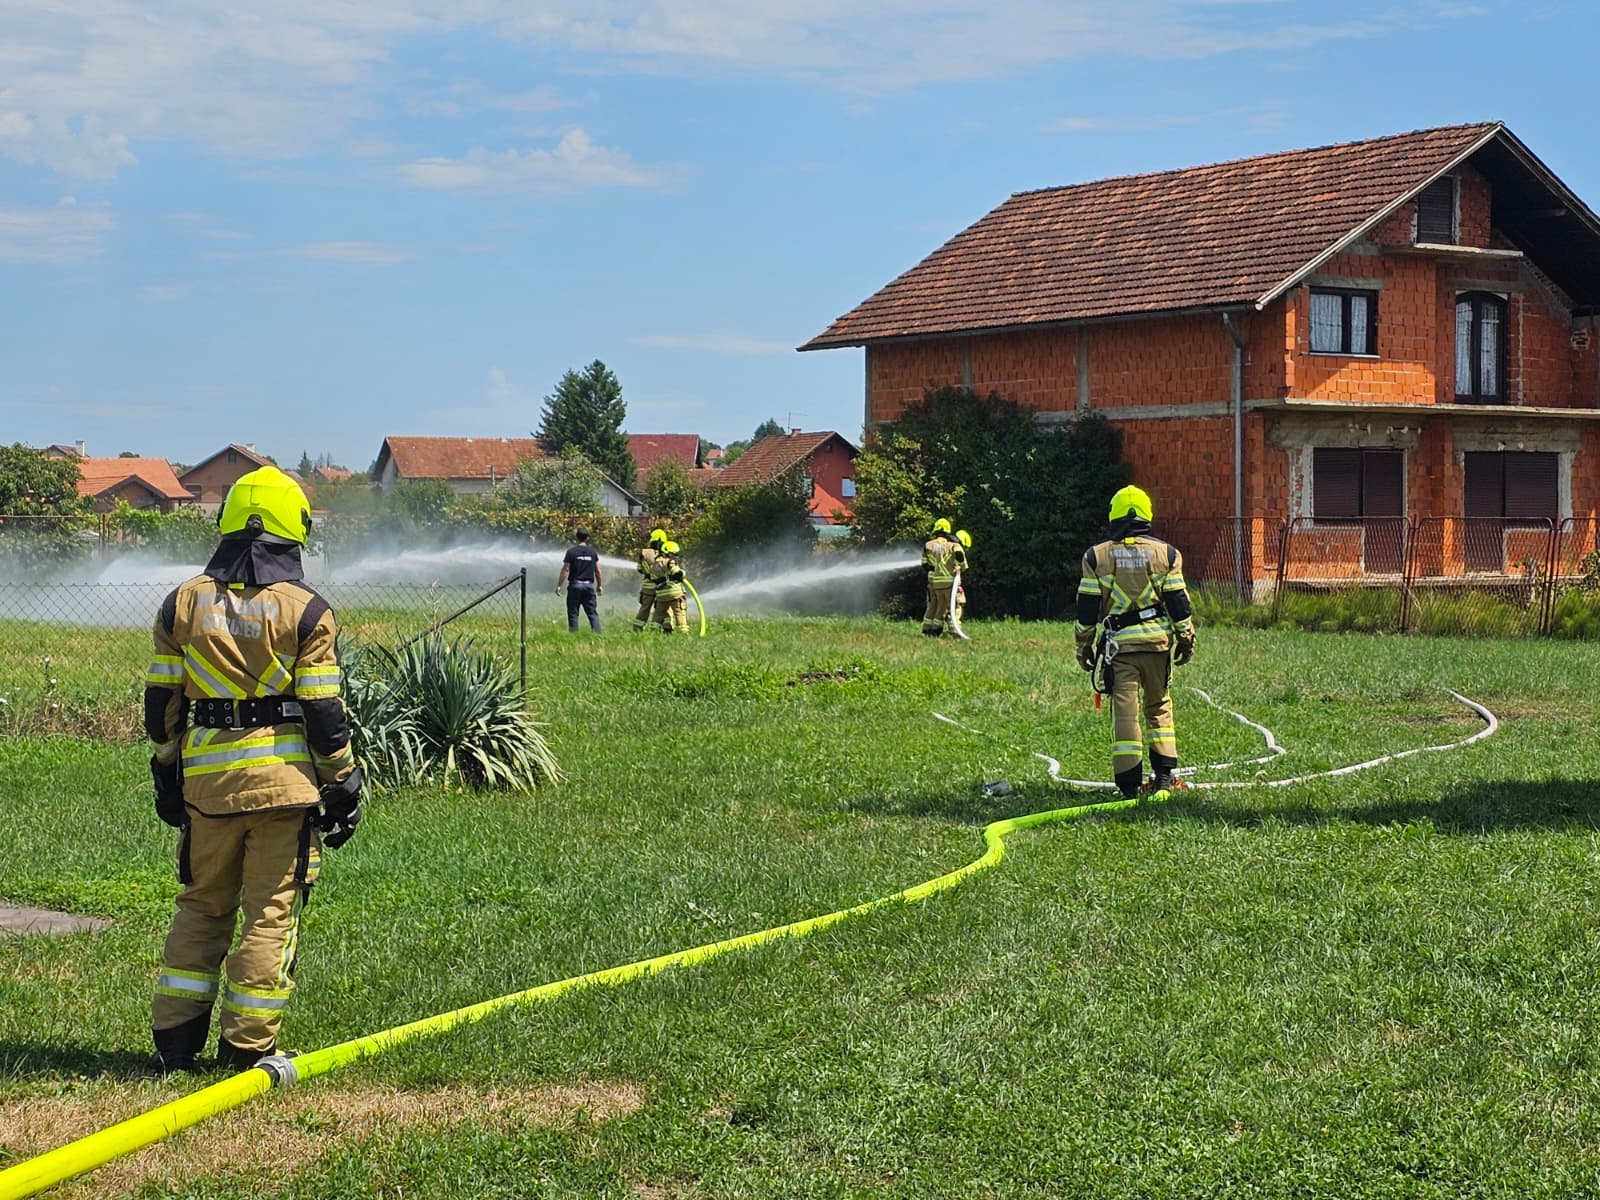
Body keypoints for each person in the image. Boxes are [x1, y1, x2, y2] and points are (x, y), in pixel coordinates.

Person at [143, 465, 362, 1074]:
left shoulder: (181, 603)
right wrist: (343, 782)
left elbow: (162, 706)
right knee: (269, 913)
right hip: (282, 792)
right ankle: (247, 1049)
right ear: (296, 530)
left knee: (201, 906)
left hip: (207, 791)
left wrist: (168, 774)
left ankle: (174, 1046)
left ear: (227, 523)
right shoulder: (307, 611)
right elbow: (323, 713)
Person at [1073, 485, 1196, 799]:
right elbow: (1178, 602)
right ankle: (1164, 778)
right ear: (1146, 514)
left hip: (1121, 650)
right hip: (1157, 646)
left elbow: (1087, 607)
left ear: (1114, 514)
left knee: (1126, 714)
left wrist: (1083, 645)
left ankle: (1129, 786)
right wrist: (1186, 638)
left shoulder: (1096, 556)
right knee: (1159, 707)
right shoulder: (1167, 555)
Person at [921, 517, 968, 636]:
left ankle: (932, 630)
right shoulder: (953, 546)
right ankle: (955, 631)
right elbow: (961, 559)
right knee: (956, 606)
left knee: (939, 607)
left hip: (935, 584)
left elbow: (925, 565)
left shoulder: (927, 545)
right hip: (950, 583)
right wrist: (960, 567)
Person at [555, 528, 603, 633]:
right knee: (592, 613)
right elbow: (598, 570)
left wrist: (559, 585)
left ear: (576, 537)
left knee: (573, 613)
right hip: (589, 586)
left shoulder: (571, 552)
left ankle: (574, 636)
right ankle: (598, 635)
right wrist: (599, 585)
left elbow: (565, 569)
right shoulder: (592, 552)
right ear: (588, 538)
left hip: (575, 586)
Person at [649, 539, 690, 633]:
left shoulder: (654, 564)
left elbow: (653, 578)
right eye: (674, 554)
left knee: (658, 614)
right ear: (669, 553)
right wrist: (682, 573)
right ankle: (683, 633)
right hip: (674, 593)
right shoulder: (670, 562)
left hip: (661, 595)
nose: (675, 557)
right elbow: (677, 572)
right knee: (679, 612)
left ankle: (654, 631)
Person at [632, 528, 668, 632]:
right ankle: (666, 628)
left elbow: (639, 569)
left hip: (648, 586)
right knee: (664, 608)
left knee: (645, 608)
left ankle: (637, 628)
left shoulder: (644, 553)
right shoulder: (665, 553)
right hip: (662, 586)